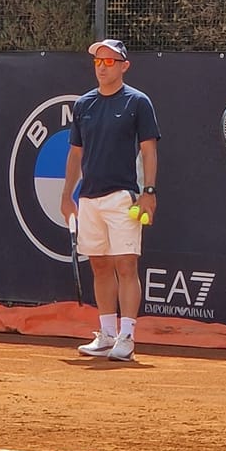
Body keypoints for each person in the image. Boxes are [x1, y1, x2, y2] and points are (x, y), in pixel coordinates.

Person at [60, 39, 161, 362]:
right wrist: (67, 195)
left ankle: (127, 337)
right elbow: (76, 154)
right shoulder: (84, 105)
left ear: (124, 66)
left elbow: (148, 150)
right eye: (97, 62)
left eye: (109, 61)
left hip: (123, 197)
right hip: (89, 198)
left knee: (126, 265)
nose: (102, 67)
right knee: (100, 266)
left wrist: (149, 192)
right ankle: (105, 334)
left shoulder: (138, 102)